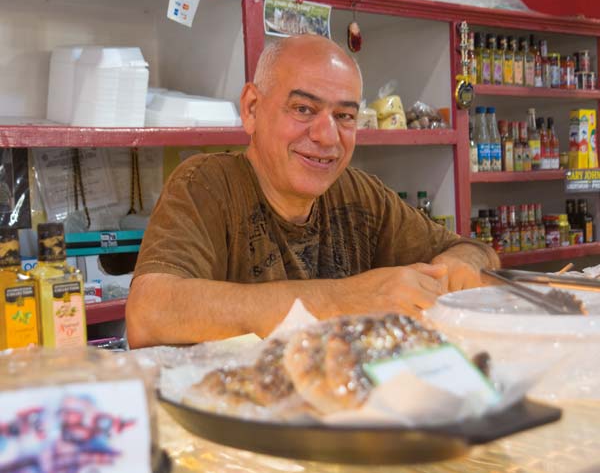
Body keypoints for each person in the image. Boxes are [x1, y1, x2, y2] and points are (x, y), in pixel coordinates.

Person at [126, 35, 498, 348]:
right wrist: (350, 299)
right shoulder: (206, 184)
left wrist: (458, 267)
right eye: (303, 109)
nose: (327, 136)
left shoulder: (360, 194)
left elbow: (476, 251)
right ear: (252, 109)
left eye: (344, 116)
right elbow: (149, 315)